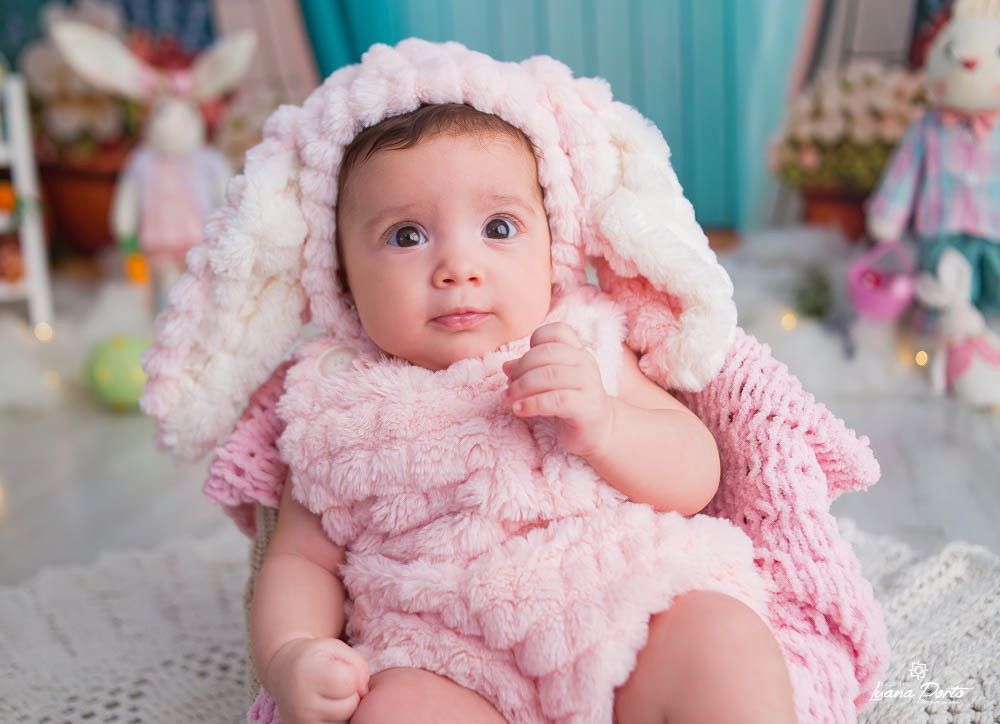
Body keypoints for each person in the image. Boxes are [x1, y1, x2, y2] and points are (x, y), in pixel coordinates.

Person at [143, 40, 884, 724]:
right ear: (339, 276)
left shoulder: (583, 337)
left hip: (619, 600)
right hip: (441, 655)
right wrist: (292, 654)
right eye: (406, 235)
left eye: (498, 228)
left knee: (721, 639)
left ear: (553, 242)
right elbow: (300, 560)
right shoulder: (331, 400)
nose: (458, 267)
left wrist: (609, 425)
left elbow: (696, 478)